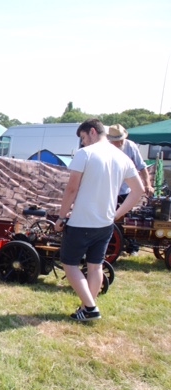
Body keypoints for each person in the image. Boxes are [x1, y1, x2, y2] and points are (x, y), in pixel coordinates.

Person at [54, 119, 144, 322]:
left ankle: (91, 307)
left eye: (83, 138)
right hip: (105, 223)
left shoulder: (85, 154)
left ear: (92, 132)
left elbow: (71, 189)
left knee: (69, 265)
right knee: (95, 267)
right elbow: (138, 191)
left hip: (81, 222)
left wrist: (61, 217)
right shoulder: (122, 157)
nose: (83, 143)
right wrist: (117, 214)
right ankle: (87, 308)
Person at [107, 124, 154, 201]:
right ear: (110, 140)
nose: (120, 143)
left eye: (121, 140)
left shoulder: (131, 146)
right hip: (109, 191)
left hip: (126, 190)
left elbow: (142, 166)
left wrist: (148, 185)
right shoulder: (105, 148)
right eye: (116, 141)